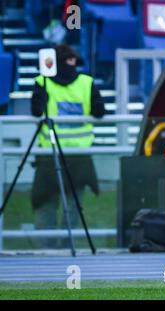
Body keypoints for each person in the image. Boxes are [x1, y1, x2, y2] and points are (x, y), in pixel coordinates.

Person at [31, 44, 105, 248]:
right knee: (72, 207)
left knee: (46, 204)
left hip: (50, 155)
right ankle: (64, 247)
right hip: (76, 157)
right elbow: (99, 111)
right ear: (71, 60)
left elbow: (36, 111)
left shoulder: (41, 82)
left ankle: (46, 250)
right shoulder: (86, 83)